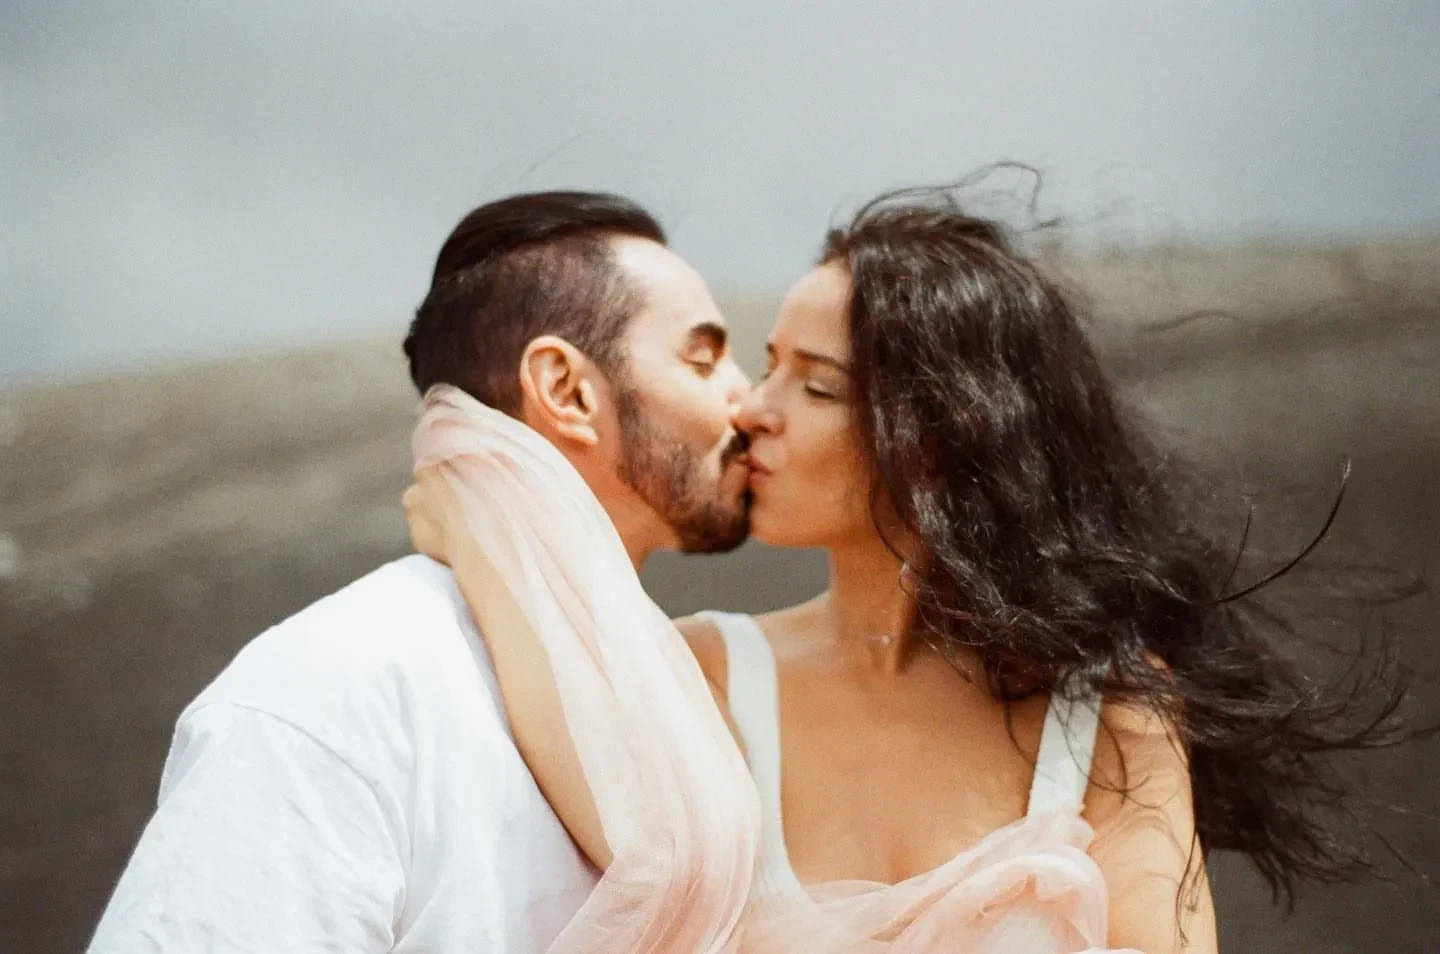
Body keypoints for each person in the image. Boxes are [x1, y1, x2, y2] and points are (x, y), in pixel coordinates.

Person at [407, 182, 1414, 952]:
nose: (753, 407)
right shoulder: (703, 676)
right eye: (768, 363)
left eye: (815, 386)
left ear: (939, 437)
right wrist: (477, 512)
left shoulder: (1108, 717)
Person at [87, 190, 754, 952]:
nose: (750, 399)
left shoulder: (679, 701)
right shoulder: (343, 685)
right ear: (567, 391)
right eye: (704, 360)